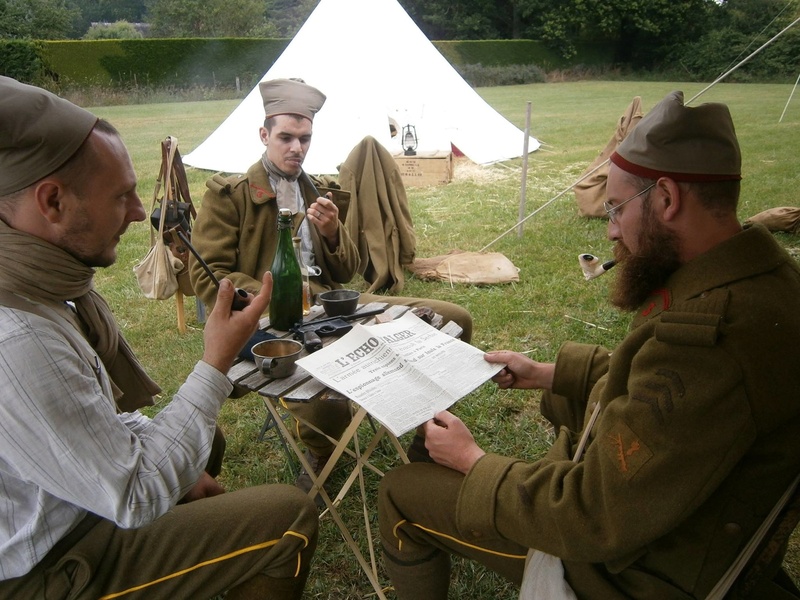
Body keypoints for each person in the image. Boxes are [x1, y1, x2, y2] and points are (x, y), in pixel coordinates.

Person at [377, 90, 800, 599]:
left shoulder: (708, 342)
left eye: (617, 209)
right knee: (563, 396)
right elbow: (660, 397)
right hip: (690, 522)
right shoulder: (767, 282)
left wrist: (474, 462)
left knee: (401, 494)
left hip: (638, 572)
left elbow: (591, 516)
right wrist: (548, 373)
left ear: (667, 199)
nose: (611, 231)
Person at [0, 76, 318, 600]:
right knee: (288, 516)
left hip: (69, 505)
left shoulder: (38, 285)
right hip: (41, 569)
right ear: (52, 201)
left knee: (200, 445)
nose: (135, 213)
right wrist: (214, 363)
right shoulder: (19, 335)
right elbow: (137, 493)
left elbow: (88, 423)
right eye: (122, 195)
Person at [189, 78, 473, 494]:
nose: (296, 148)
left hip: (335, 308)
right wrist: (276, 294)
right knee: (329, 377)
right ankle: (321, 451)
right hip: (274, 318)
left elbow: (348, 270)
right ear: (264, 135)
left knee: (454, 318)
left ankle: (426, 439)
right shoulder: (230, 195)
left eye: (304, 139)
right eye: (285, 137)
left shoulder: (318, 191)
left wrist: (334, 232)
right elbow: (208, 273)